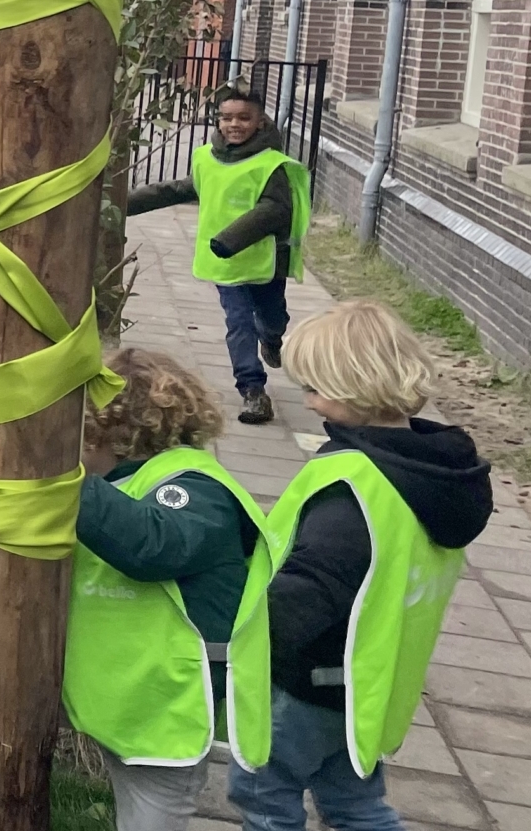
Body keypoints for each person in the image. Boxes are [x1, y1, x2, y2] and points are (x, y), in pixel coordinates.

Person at [229, 300, 490, 831]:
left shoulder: (356, 484)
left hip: (303, 677)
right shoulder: (440, 469)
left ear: (352, 387)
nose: (310, 403)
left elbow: (317, 583)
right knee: (354, 801)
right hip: (368, 681)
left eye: (314, 389)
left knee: (265, 794)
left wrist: (245, 641)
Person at [65, 348, 272, 831]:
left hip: (167, 710)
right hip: (135, 705)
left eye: (82, 438)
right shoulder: (131, 480)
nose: (75, 450)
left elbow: (151, 544)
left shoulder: (196, 487)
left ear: (117, 433)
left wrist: (65, 479)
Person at [128, 89, 311, 426]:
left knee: (272, 318)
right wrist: (126, 204)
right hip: (225, 265)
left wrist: (231, 239)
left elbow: (275, 210)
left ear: (260, 122)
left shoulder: (272, 166)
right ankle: (253, 390)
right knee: (238, 324)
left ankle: (271, 338)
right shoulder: (206, 158)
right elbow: (181, 189)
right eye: (227, 117)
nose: (234, 124)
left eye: (244, 117)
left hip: (264, 262)